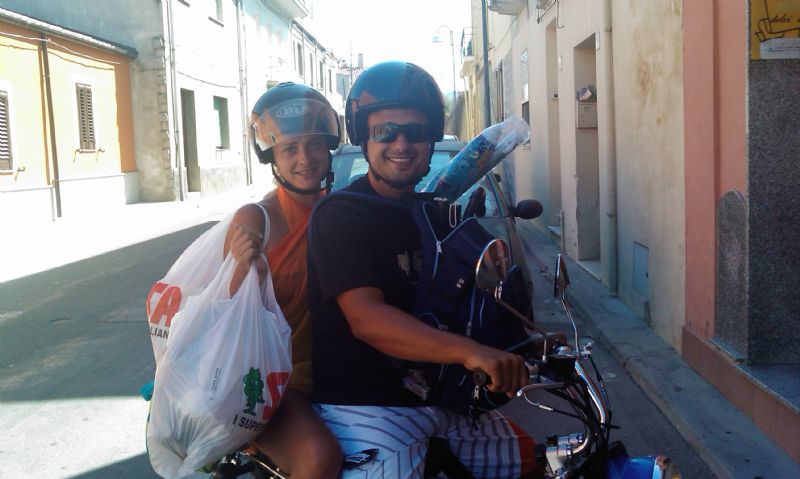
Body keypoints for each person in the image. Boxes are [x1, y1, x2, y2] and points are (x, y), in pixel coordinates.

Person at [308, 61, 541, 478]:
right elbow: (366, 318)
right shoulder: (341, 214)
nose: (401, 143)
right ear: (363, 136)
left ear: (431, 139)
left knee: (538, 465)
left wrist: (517, 330)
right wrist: (470, 352)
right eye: (385, 131)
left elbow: (456, 300)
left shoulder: (431, 212)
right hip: (366, 405)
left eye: (415, 131)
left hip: (439, 397)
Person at [223, 82, 342, 478]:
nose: (305, 159)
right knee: (318, 459)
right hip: (275, 382)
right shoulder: (256, 219)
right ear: (271, 157)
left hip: (343, 372)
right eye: (290, 149)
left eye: (314, 144)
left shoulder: (343, 212)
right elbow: (230, 317)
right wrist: (248, 272)